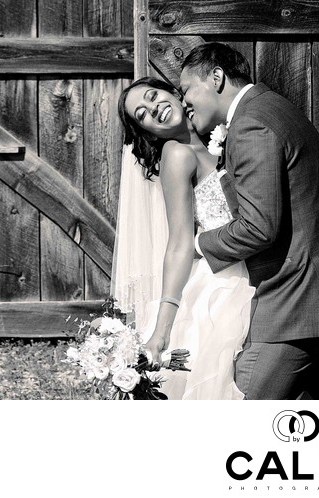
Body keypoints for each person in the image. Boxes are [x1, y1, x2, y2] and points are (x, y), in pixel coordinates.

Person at [177, 42, 319, 400]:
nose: (184, 101)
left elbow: (258, 227)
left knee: (241, 413)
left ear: (216, 77)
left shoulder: (250, 124)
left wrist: (199, 244)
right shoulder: (273, 107)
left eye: (186, 90)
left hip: (294, 304)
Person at [115, 76, 255, 399]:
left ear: (173, 93)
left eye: (152, 97)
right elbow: (180, 243)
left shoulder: (215, 139)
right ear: (147, 132)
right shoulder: (177, 156)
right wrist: (162, 332)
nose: (153, 109)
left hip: (252, 268)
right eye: (143, 115)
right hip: (223, 286)